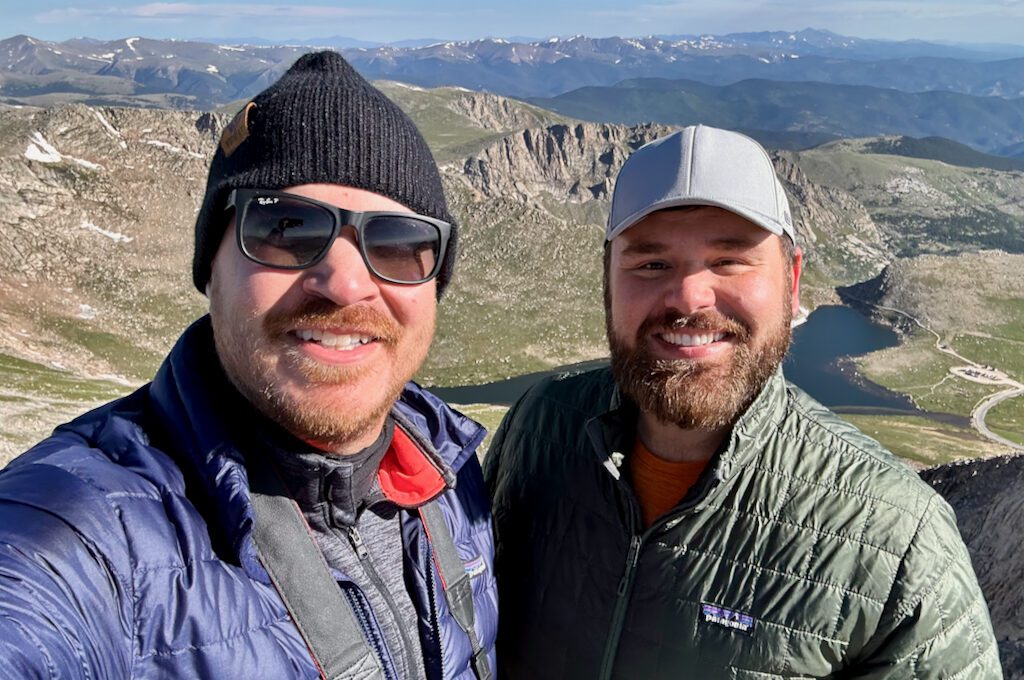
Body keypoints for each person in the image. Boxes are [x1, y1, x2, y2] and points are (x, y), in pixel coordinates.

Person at [0, 51, 496, 680]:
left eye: (397, 244)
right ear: (212, 266)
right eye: (285, 228)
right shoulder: (86, 529)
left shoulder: (449, 469)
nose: (345, 285)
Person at [484, 125, 1000, 679]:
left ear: (793, 282)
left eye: (729, 260)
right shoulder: (539, 428)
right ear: (608, 283)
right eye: (651, 264)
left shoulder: (898, 539)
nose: (688, 296)